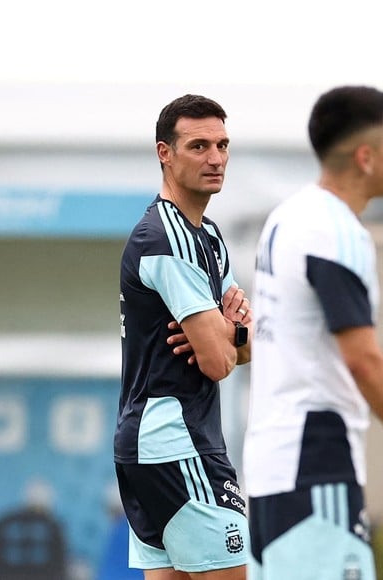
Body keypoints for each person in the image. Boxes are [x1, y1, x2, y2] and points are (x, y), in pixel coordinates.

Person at [243, 85, 383, 579]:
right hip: (315, 464)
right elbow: (362, 357)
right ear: (366, 157)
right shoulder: (334, 232)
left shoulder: (286, 216)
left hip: (272, 466)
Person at [115, 94, 253, 580]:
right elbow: (220, 362)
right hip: (178, 441)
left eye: (222, 145)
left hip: (151, 442)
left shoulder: (208, 236)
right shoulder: (166, 236)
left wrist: (227, 331)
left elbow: (246, 348)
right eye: (198, 146)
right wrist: (229, 327)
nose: (216, 159)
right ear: (164, 153)